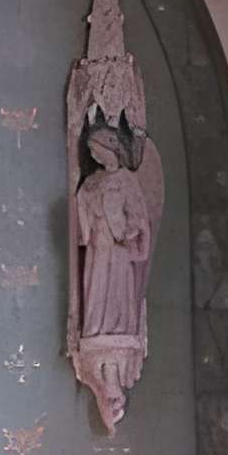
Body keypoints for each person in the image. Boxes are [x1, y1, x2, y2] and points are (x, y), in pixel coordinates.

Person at [76, 121, 152, 344]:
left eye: (97, 150)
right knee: (96, 281)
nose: (94, 156)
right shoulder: (92, 181)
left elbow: (137, 214)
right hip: (98, 241)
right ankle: (95, 327)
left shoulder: (126, 180)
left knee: (117, 284)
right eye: (91, 152)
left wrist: (129, 232)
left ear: (110, 149)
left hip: (118, 243)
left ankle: (117, 327)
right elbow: (81, 204)